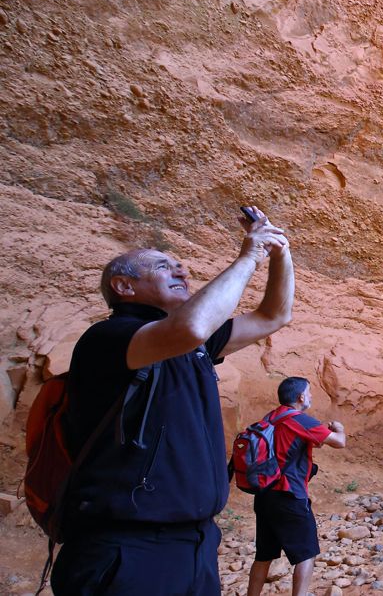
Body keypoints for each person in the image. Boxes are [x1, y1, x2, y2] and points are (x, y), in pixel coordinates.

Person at [52, 207, 293, 595]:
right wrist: (249, 256)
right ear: (124, 287)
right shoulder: (109, 338)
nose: (181, 271)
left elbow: (274, 316)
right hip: (127, 549)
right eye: (164, 266)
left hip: (194, 545)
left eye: (180, 265)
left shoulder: (190, 347)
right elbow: (193, 326)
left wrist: (279, 252)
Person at [247, 376, 346, 596]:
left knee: (264, 555)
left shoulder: (270, 418)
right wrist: (339, 429)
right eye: (309, 393)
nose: (310, 396)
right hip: (289, 495)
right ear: (301, 397)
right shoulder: (300, 420)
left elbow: (302, 443)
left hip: (264, 496)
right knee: (306, 554)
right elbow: (339, 442)